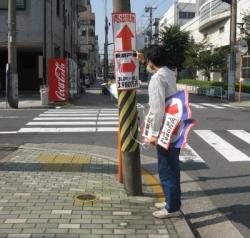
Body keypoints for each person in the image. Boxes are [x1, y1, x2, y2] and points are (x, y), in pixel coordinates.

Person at [137, 45, 181, 219]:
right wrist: (143, 60)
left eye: (147, 61)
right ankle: (172, 202)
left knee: (166, 169)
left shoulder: (157, 79)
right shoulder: (169, 74)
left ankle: (172, 208)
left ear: (151, 61)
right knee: (172, 168)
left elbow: (157, 109)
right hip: (174, 127)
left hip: (164, 131)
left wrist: (154, 133)